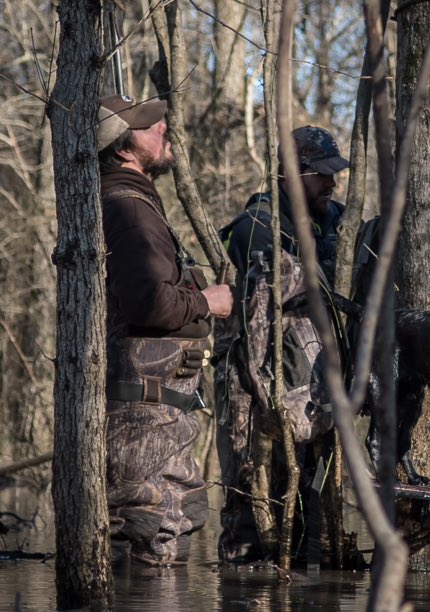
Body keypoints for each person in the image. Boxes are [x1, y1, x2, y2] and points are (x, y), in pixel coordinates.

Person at [97, 94, 233, 565]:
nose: (163, 129)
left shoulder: (130, 204)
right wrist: (207, 301)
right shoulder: (129, 211)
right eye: (150, 125)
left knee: (159, 540)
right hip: (144, 430)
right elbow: (148, 302)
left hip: (157, 424)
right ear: (122, 147)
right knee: (152, 541)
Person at [215, 126, 350, 564]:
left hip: (318, 394)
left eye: (336, 173)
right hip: (257, 395)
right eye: (323, 174)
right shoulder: (256, 227)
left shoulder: (339, 222)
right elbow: (258, 296)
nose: (333, 182)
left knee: (315, 524)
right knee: (252, 521)